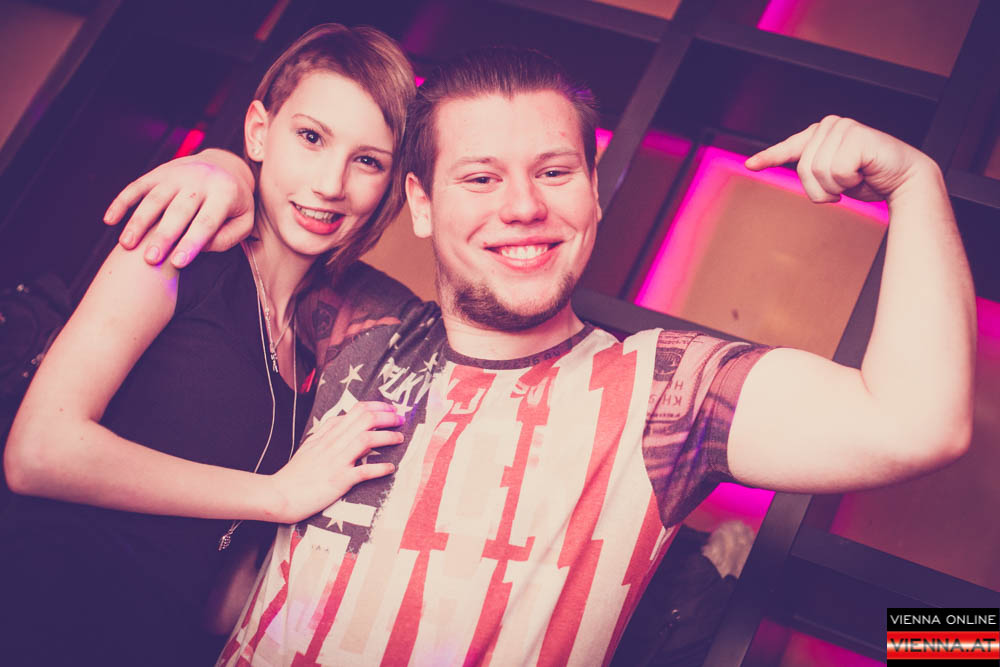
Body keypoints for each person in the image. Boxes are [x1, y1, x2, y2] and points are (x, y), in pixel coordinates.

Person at [104, 46, 974, 666]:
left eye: (554, 172)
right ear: (420, 204)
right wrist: (223, 165)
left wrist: (915, 183)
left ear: (594, 192)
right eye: (480, 177)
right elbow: (275, 215)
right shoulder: (353, 322)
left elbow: (916, 423)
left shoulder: (664, 391)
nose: (522, 205)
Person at [0, 24, 417, 666]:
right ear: (259, 132)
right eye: (311, 137)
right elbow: (38, 453)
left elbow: (215, 593)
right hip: (39, 622)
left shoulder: (309, 346)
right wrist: (279, 495)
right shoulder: (182, 249)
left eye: (368, 161)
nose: (332, 183)